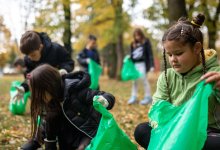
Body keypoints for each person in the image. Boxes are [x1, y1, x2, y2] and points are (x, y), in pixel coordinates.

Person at [134, 14, 220, 149]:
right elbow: (157, 107)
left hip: (206, 132)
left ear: (197, 48)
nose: (173, 59)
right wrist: (163, 128)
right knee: (142, 130)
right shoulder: (166, 77)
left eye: (178, 53)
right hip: (173, 129)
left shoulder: (215, 73)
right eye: (169, 54)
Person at [25, 64, 115, 150]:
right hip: (67, 142)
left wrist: (104, 100)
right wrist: (29, 146)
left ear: (49, 86)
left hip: (89, 135)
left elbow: (107, 95)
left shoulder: (75, 91)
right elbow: (43, 130)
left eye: (39, 93)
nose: (37, 97)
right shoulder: (49, 103)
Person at [12, 31, 74, 102]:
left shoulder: (56, 49)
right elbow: (30, 77)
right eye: (27, 55)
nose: (30, 58)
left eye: (33, 55)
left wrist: (64, 69)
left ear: (40, 47)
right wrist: (23, 87)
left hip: (60, 86)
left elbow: (69, 62)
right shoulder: (28, 59)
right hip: (42, 93)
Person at [128, 28, 155, 105]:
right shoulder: (133, 43)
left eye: (138, 35)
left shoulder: (146, 42)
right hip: (135, 65)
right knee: (134, 81)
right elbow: (132, 54)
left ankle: (148, 97)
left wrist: (152, 65)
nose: (137, 37)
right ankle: (133, 97)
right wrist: (129, 58)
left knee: (144, 80)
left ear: (141, 35)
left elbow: (150, 54)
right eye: (136, 36)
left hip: (143, 64)